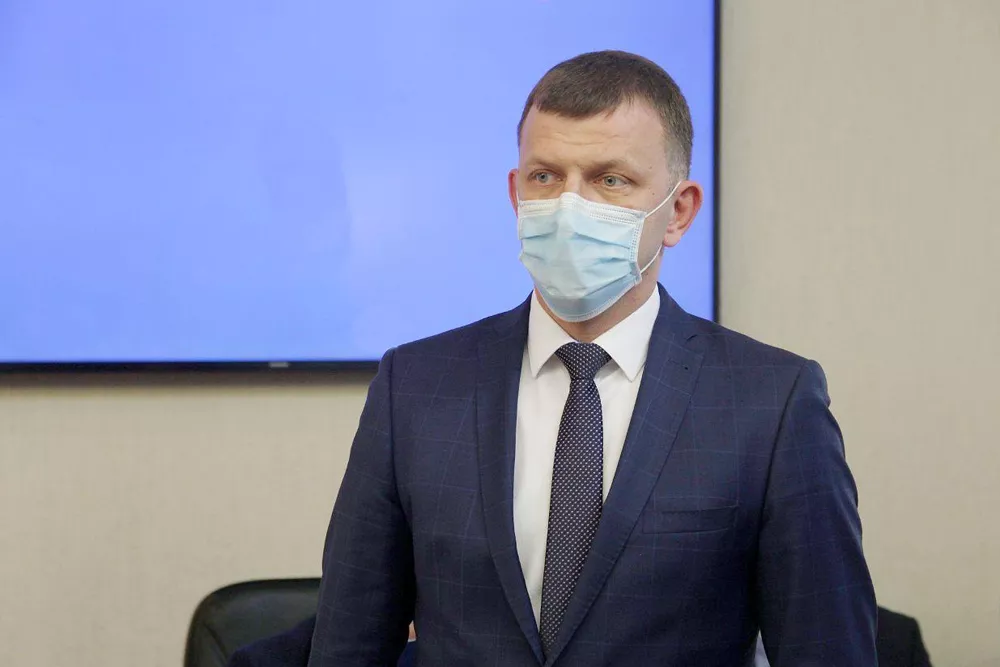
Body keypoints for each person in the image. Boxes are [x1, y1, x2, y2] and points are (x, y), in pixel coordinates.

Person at [307, 50, 877, 666]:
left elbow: (827, 649)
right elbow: (348, 642)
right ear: (515, 194)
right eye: (545, 177)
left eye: (610, 180)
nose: (568, 206)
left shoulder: (771, 402)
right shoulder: (415, 386)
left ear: (678, 211)